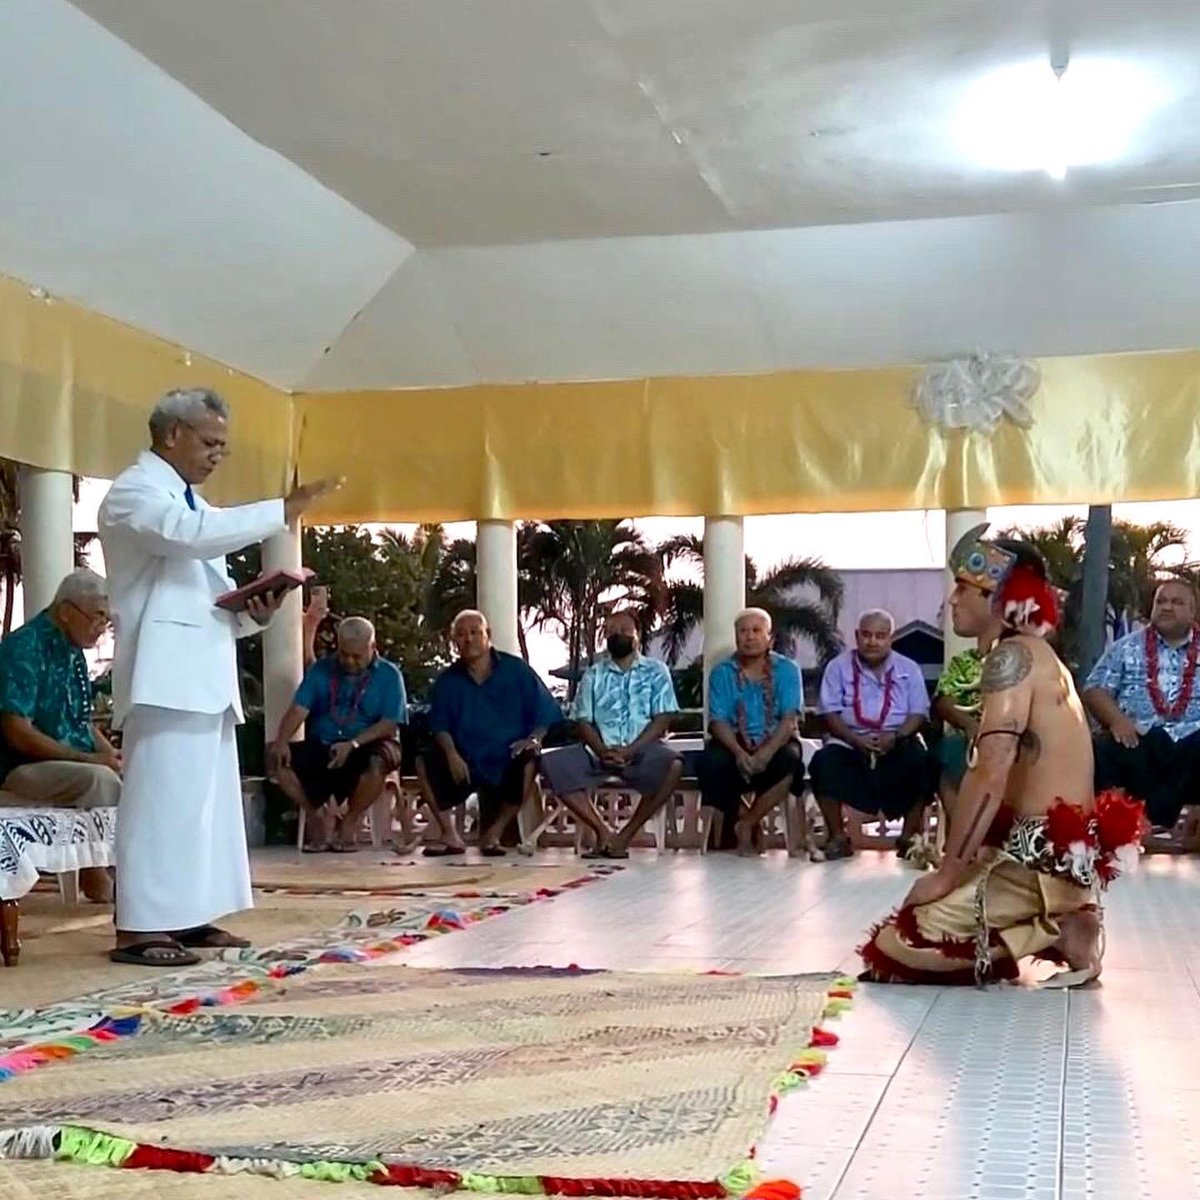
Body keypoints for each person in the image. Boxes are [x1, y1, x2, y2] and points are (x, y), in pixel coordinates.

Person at [98, 386, 339, 966]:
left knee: (205, 807)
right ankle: (140, 927)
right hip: (164, 674)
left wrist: (252, 615)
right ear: (172, 434)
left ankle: (187, 916)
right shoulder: (135, 492)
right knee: (161, 804)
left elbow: (203, 592)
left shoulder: (189, 503)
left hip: (202, 669)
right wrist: (281, 511)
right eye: (210, 443)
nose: (217, 455)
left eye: (223, 447)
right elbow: (185, 536)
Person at [860, 527, 1145, 988]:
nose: (952, 600)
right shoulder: (1035, 654)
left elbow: (991, 770)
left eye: (963, 588)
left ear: (1000, 598)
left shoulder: (1012, 660)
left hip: (1036, 866)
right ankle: (1066, 920)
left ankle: (1057, 927)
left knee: (896, 945)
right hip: (1044, 855)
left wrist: (949, 872)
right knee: (913, 924)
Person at [0, 569, 120, 902]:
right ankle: (97, 874)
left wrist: (112, 755)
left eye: (105, 620)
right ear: (66, 611)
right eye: (96, 618)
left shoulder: (73, 653)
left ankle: (145, 874)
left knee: (128, 772)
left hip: (67, 765)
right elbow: (17, 732)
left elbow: (80, 722)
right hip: (20, 767)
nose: (101, 628)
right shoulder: (23, 648)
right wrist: (92, 760)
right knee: (99, 780)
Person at [418, 610, 561, 856]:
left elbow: (544, 712)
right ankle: (449, 834)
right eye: (461, 635)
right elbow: (439, 724)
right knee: (424, 760)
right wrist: (451, 754)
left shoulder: (516, 671)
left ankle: (494, 833)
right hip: (465, 758)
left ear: (488, 635)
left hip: (507, 755)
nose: (468, 639)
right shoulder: (448, 681)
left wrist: (534, 739)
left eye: (475, 632)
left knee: (528, 761)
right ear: (455, 642)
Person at [541, 610, 682, 859]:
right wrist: (602, 750)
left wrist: (630, 750)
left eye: (624, 630)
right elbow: (582, 719)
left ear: (637, 636)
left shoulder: (656, 671)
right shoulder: (593, 674)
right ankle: (603, 832)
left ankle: (625, 836)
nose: (617, 635)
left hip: (642, 750)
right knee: (551, 763)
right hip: (598, 753)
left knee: (674, 765)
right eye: (611, 631)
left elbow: (663, 717)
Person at [267, 617, 406, 853]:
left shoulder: (390, 675)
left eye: (357, 656)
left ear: (373, 647)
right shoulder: (321, 669)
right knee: (275, 757)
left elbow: (389, 724)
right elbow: (299, 709)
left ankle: (349, 824)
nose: (349, 662)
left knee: (377, 763)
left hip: (368, 745)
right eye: (344, 654)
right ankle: (317, 817)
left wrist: (352, 744)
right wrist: (281, 741)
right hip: (323, 746)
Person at [809, 610, 931, 861]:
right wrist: (856, 740)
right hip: (849, 743)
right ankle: (838, 838)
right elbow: (829, 713)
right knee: (824, 763)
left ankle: (908, 838)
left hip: (896, 742)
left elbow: (918, 713)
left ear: (891, 638)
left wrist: (895, 737)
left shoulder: (909, 668)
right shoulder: (838, 667)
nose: (872, 642)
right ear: (856, 636)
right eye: (866, 635)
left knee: (923, 763)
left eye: (880, 636)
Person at [1084, 580, 1200, 837]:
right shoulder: (1126, 647)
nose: (1167, 607)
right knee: (1102, 749)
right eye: (1161, 601)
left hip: (1194, 742)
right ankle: (1116, 828)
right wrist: (1116, 720)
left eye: (1177, 602)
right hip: (1140, 739)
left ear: (1193, 612)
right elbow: (1094, 688)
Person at [697, 608, 802, 856]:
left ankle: (747, 824)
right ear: (736, 638)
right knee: (711, 763)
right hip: (733, 742)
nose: (749, 637)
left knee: (790, 761)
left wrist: (766, 752)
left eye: (756, 631)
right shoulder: (722, 672)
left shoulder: (787, 670)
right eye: (743, 631)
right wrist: (737, 752)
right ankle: (743, 818)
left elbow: (790, 718)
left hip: (776, 741)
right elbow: (717, 720)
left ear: (770, 638)